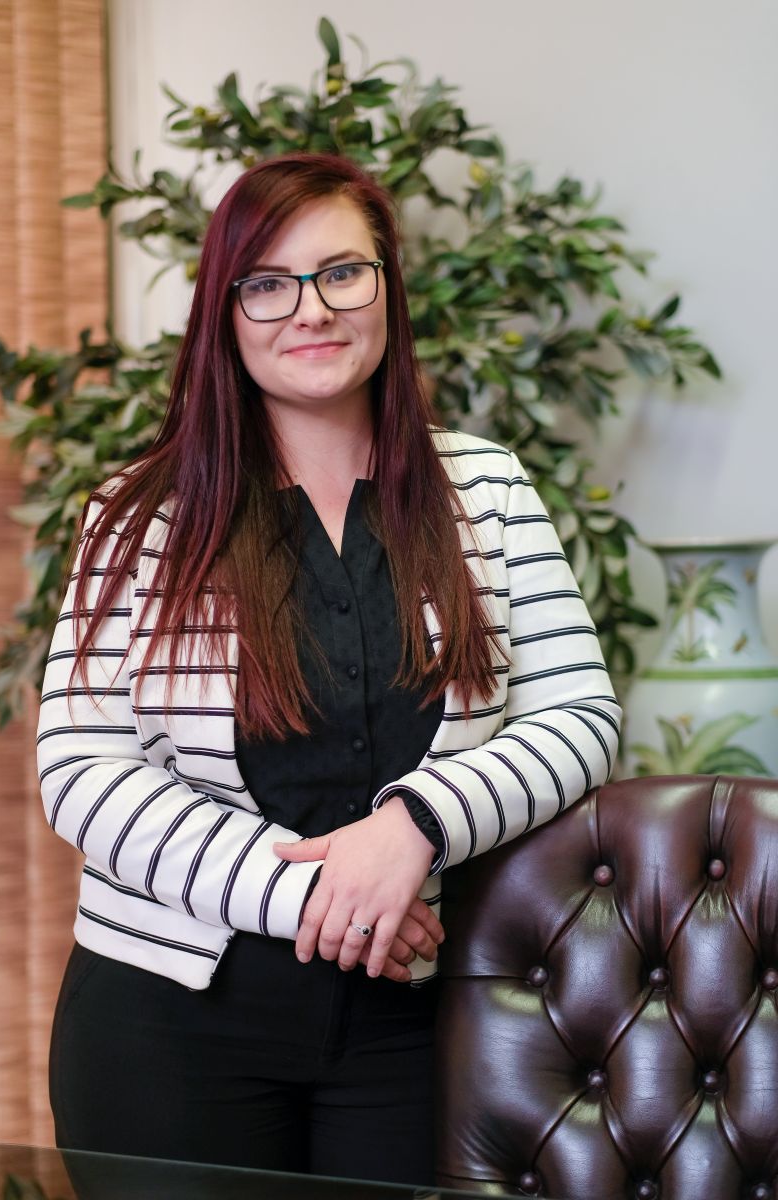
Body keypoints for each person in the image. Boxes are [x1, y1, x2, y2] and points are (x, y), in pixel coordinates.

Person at [38, 152, 621, 1186]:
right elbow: (81, 768)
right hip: (165, 1023)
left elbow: (578, 716)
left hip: (413, 1019)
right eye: (267, 283)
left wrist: (415, 826)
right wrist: (317, 898)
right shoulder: (138, 515)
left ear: (386, 287)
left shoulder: (486, 488)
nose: (310, 308)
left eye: (342, 273)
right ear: (223, 313)